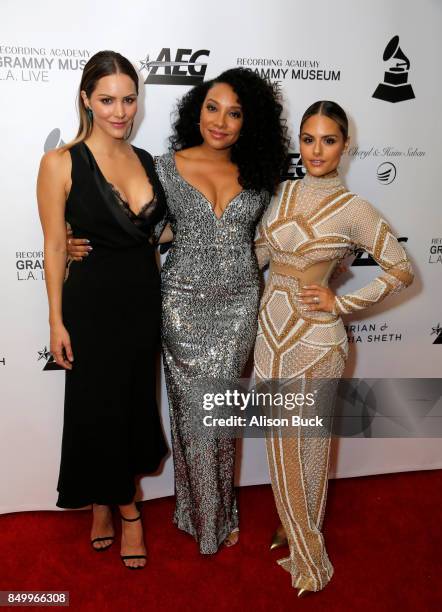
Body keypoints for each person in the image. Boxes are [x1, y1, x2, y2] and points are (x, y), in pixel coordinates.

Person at [67, 67, 289, 554]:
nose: (221, 121)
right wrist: (72, 239)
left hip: (237, 306)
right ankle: (197, 514)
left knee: (219, 417)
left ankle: (212, 513)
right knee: (192, 417)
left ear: (249, 122)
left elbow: (271, 240)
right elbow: (142, 229)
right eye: (212, 108)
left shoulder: (259, 173)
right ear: (197, 111)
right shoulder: (164, 166)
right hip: (181, 304)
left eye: (235, 113)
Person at [253, 100, 414, 594]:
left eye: (328, 140)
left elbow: (401, 269)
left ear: (345, 145)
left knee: (312, 449)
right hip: (270, 336)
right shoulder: (278, 194)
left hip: (318, 340)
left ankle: (307, 547)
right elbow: (251, 254)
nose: (316, 150)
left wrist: (340, 302)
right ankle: (295, 524)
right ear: (298, 143)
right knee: (281, 446)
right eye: (308, 139)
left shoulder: (356, 210)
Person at [37, 50, 168, 570]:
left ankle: (105, 501)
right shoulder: (60, 162)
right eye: (108, 99)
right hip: (91, 307)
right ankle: (124, 510)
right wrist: (55, 320)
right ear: (87, 100)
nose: (120, 110)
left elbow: (155, 236)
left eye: (129, 98)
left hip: (142, 302)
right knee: (98, 409)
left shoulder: (147, 161)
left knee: (134, 406)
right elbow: (52, 246)